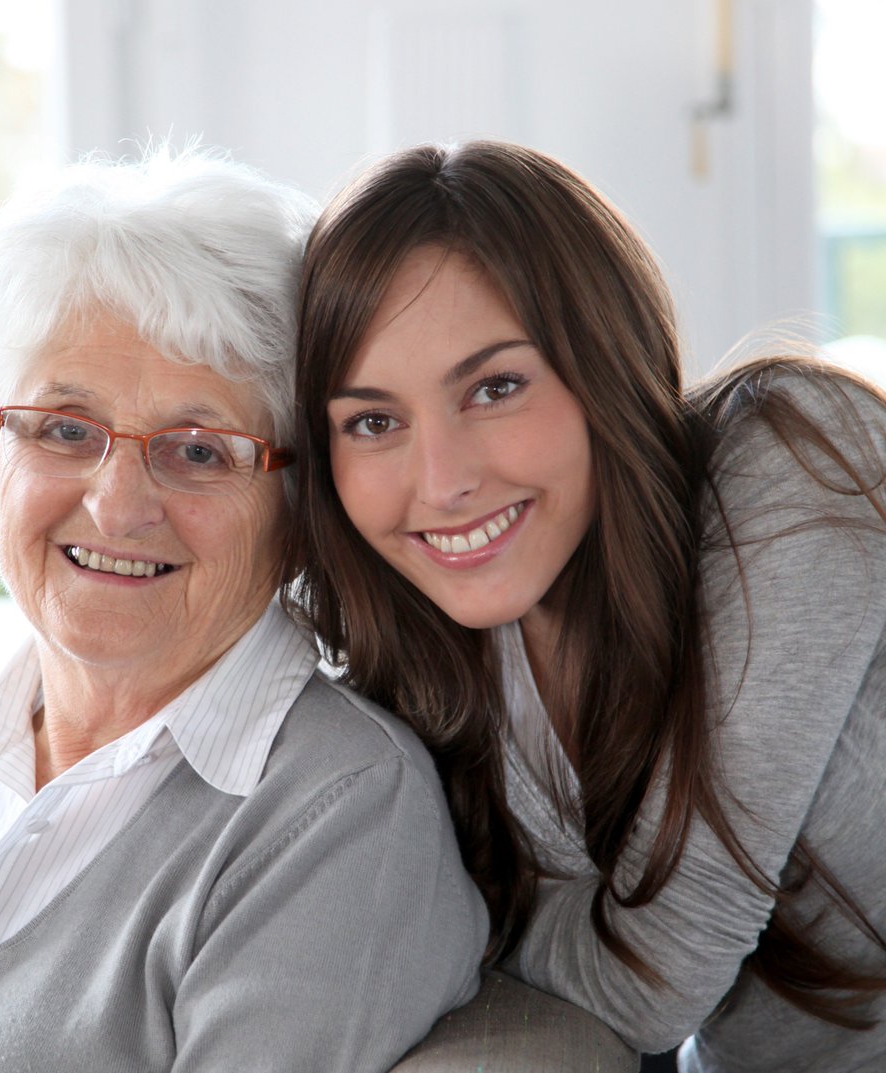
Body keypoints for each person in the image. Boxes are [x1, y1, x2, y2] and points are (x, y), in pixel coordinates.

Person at [0, 148, 492, 1073]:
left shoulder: (338, 815)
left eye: (199, 450)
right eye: (66, 429)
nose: (118, 505)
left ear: (301, 514)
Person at [285, 141, 886, 1071]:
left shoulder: (795, 459)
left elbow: (657, 984)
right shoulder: (438, 667)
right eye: (374, 421)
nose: (441, 483)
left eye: (495, 387)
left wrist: (478, 917)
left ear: (602, 360)